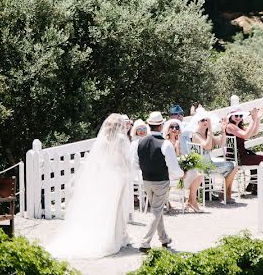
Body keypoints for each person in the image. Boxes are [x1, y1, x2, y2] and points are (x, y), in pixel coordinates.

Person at [46, 114, 133, 259]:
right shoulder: (122, 140)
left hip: (105, 175)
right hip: (118, 176)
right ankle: (117, 237)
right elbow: (128, 159)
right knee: (116, 207)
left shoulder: (102, 140)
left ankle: (111, 235)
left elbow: (97, 162)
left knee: (105, 207)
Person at [137, 111, 183, 252]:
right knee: (156, 211)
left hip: (146, 181)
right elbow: (173, 167)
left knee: (157, 210)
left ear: (149, 125)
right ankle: (145, 242)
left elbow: (136, 163)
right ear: (161, 125)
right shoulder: (166, 144)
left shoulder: (140, 142)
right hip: (161, 181)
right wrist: (181, 174)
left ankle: (164, 239)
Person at [190, 110, 238, 204]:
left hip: (208, 165)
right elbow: (207, 146)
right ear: (198, 122)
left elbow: (222, 143)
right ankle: (224, 194)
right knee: (233, 166)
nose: (205, 122)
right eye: (203, 120)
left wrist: (223, 130)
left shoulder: (208, 134)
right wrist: (210, 128)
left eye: (207, 120)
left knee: (234, 165)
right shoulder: (196, 135)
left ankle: (224, 193)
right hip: (203, 167)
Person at [224, 107, 263, 194]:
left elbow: (254, 132)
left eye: (240, 115)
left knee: (262, 159)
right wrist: (253, 119)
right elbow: (246, 135)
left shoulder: (238, 126)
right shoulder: (230, 126)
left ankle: (252, 186)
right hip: (237, 157)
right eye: (236, 116)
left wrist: (257, 119)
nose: (238, 117)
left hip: (241, 154)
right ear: (231, 116)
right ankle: (253, 186)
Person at [166, 118, 203, 212]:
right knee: (195, 174)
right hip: (167, 169)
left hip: (177, 168)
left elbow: (179, 157)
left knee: (198, 175)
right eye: (172, 127)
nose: (174, 129)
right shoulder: (165, 142)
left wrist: (184, 167)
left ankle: (191, 200)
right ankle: (190, 201)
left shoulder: (179, 142)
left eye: (177, 127)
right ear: (168, 129)